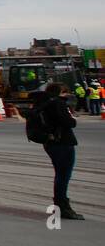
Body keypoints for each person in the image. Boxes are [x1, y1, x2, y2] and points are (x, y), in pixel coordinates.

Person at [31, 83, 83, 220]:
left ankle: (60, 205)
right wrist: (72, 119)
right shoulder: (58, 103)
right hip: (62, 142)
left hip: (49, 142)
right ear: (60, 92)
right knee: (63, 175)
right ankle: (62, 206)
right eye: (65, 92)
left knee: (60, 174)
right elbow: (68, 122)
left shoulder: (42, 103)